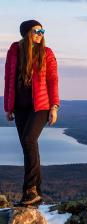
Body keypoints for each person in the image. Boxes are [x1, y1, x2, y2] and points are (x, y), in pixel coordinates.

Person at [4, 19, 60, 205]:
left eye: (42, 31)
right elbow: (8, 79)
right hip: (20, 106)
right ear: (26, 33)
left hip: (41, 106)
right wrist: (8, 107)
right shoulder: (14, 51)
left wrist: (54, 107)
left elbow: (53, 80)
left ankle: (30, 189)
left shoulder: (46, 53)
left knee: (28, 140)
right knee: (28, 146)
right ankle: (34, 193)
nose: (40, 34)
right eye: (37, 30)